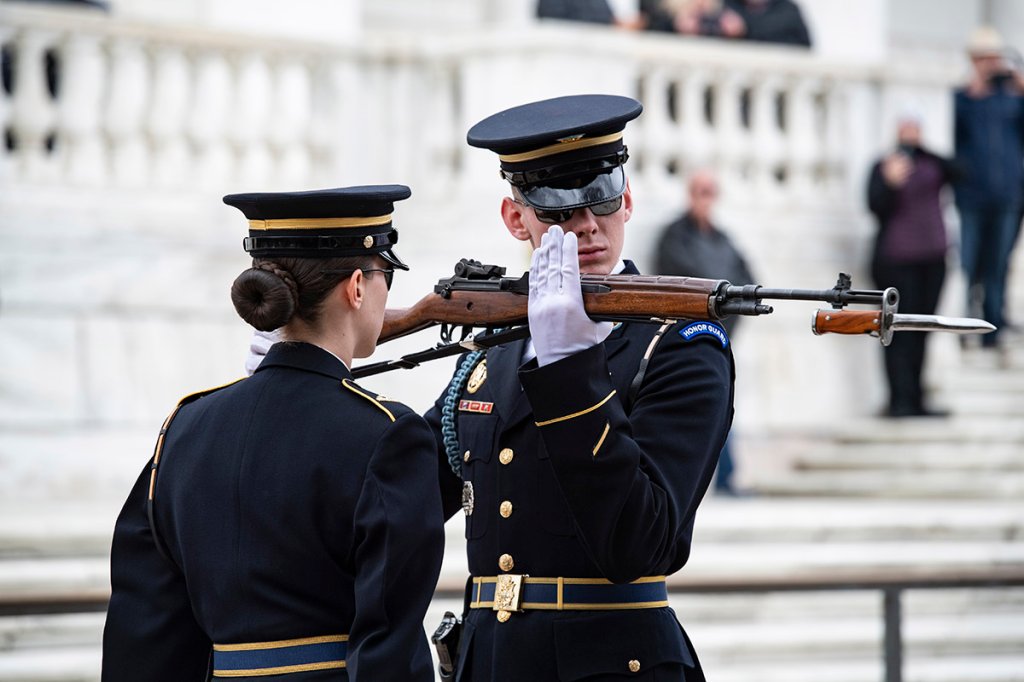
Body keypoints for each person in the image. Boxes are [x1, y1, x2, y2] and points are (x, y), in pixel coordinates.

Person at [431, 94, 734, 681]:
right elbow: (405, 484)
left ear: (627, 202)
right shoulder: (497, 344)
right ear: (516, 218)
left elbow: (640, 543)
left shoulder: (680, 344)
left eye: (601, 199)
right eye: (558, 208)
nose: (587, 225)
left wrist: (569, 367)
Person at [102, 186, 445, 681]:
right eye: (384, 276)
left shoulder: (186, 425)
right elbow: (389, 645)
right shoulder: (386, 435)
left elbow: (147, 627)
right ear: (356, 287)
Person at [655, 169, 753, 493]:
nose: (704, 198)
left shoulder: (724, 239)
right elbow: (676, 284)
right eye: (699, 191)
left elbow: (747, 286)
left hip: (719, 339)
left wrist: (725, 327)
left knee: (721, 404)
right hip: (683, 339)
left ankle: (725, 479)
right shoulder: (673, 235)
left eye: (710, 191)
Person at [867, 117, 959, 418]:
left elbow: (962, 171)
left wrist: (924, 150)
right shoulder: (883, 166)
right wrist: (891, 183)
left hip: (932, 259)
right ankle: (898, 401)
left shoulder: (933, 164)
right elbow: (874, 206)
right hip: (896, 261)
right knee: (896, 332)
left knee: (922, 331)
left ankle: (917, 399)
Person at [953, 26, 1024, 351]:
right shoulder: (963, 97)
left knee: (999, 265)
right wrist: (973, 91)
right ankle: (966, 324)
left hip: (1008, 195)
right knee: (968, 263)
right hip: (971, 196)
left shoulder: (1012, 99)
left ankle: (994, 329)